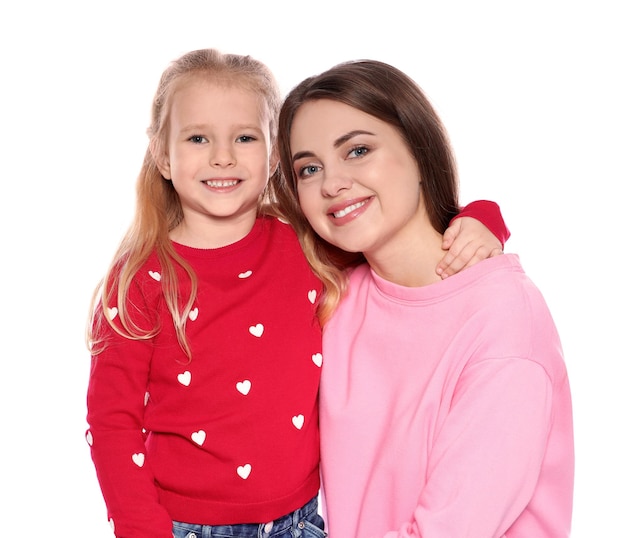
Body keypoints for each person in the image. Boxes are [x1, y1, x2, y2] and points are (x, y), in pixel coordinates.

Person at [85, 49, 508, 538]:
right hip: (186, 527)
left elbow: (392, 242)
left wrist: (481, 217)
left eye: (244, 137)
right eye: (198, 138)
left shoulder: (304, 246)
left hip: (302, 521)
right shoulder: (141, 278)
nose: (222, 156)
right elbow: (112, 421)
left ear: (272, 158)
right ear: (162, 154)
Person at [274, 59, 574, 537]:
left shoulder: (504, 320)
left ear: (418, 149)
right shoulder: (335, 297)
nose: (331, 184)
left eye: (357, 150)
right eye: (309, 168)